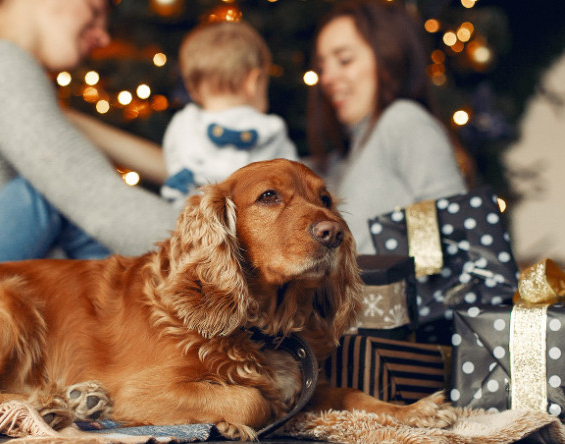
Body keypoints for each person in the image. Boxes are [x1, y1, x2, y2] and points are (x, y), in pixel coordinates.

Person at [0, 0, 179, 275]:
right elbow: (98, 198)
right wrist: (214, 244)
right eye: (95, 11)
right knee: (55, 192)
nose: (104, 37)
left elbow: (93, 164)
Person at [307, 0, 467, 254]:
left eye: (345, 60)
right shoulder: (342, 160)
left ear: (389, 57)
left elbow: (454, 237)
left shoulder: (403, 122)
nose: (326, 78)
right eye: (322, 66)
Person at [160, 20, 298, 206]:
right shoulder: (272, 130)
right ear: (254, 81)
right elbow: (296, 183)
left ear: (193, 90)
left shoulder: (183, 123)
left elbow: (174, 171)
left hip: (198, 224)